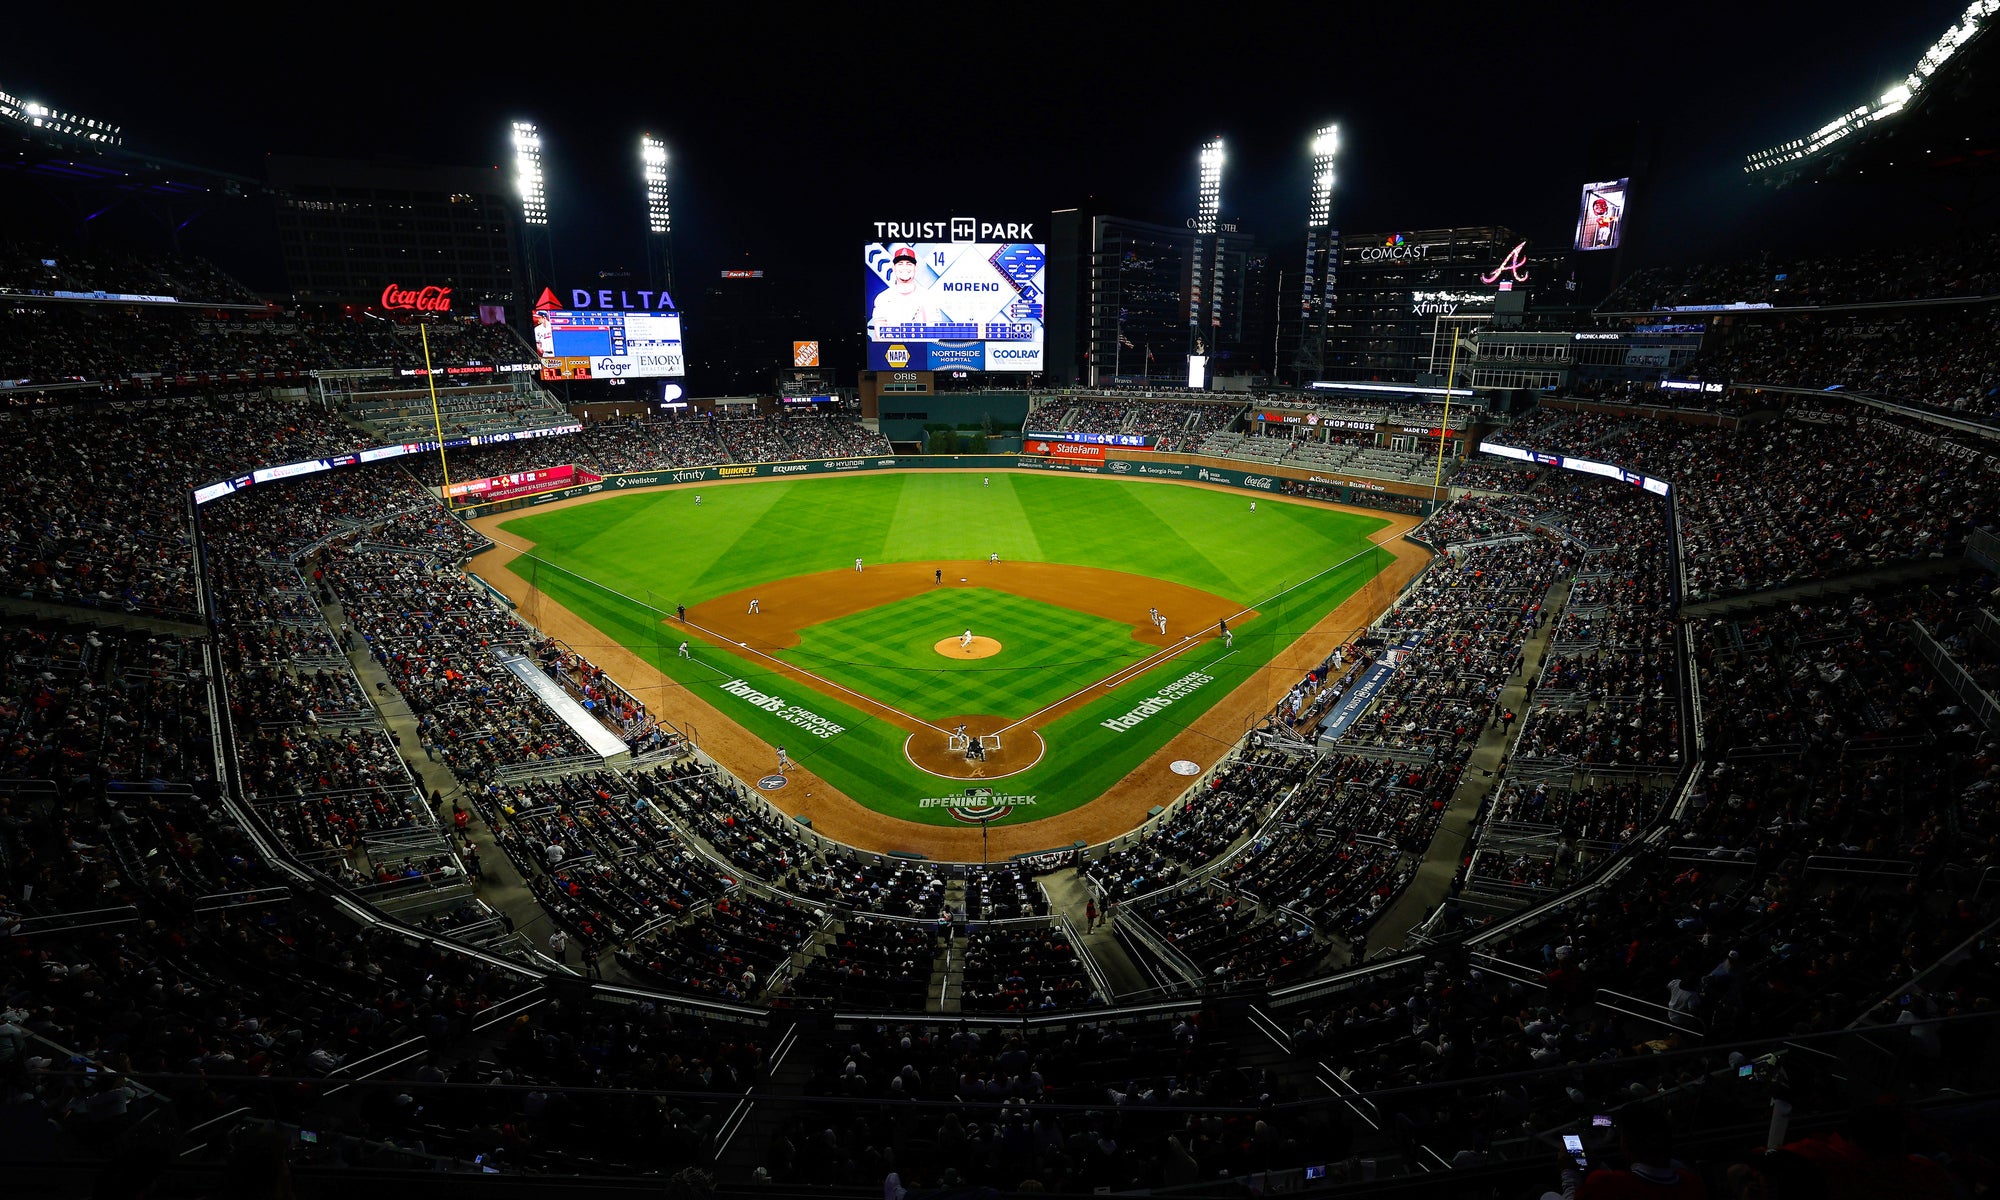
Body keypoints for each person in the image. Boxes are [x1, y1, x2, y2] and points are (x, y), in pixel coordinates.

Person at [868, 244, 948, 335]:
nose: (904, 267)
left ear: (915, 268)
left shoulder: (927, 296)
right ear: (893, 268)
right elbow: (880, 333)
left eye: (909, 264)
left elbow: (934, 331)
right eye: (900, 264)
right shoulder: (883, 298)